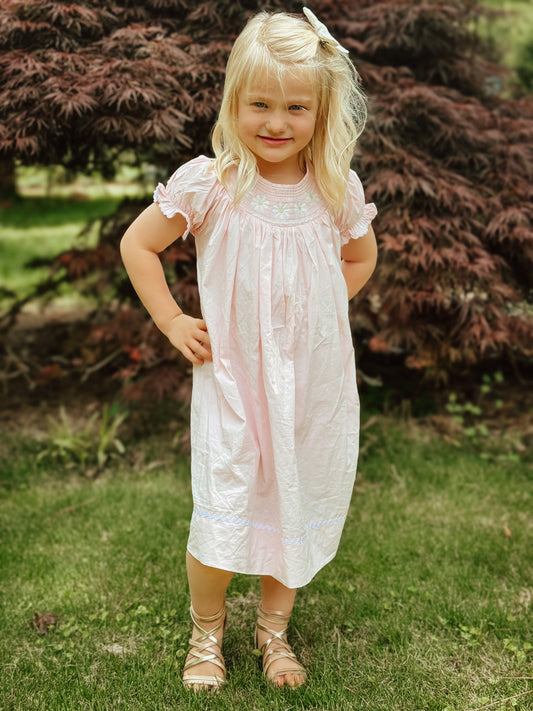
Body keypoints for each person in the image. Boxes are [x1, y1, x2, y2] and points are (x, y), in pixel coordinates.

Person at [120, 6, 377, 693]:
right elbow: (138, 246)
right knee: (225, 496)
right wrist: (172, 319)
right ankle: (207, 632)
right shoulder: (211, 183)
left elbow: (358, 258)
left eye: (296, 107)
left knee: (289, 497)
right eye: (259, 103)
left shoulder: (333, 188)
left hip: (310, 383)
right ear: (234, 101)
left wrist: (318, 320)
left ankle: (273, 631)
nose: (275, 121)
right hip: (232, 377)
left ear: (321, 113)